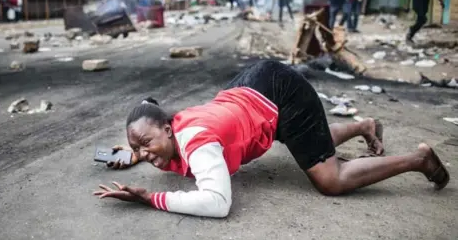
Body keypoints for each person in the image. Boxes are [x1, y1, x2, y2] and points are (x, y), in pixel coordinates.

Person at [93, 60, 450, 218]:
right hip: (249, 89)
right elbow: (155, 146)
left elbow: (217, 202)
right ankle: (363, 125)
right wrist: (137, 154)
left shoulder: (198, 144)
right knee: (300, 139)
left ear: (169, 128)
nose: (143, 152)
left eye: (145, 143)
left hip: (279, 91)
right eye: (137, 146)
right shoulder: (173, 125)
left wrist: (150, 199)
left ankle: (419, 159)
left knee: (331, 179)